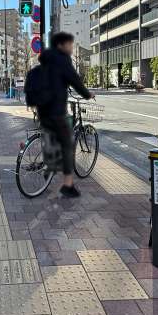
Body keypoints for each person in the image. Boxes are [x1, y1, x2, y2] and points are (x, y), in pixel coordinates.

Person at [36, 32, 93, 198]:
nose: (71, 47)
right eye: (69, 44)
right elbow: (76, 81)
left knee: (51, 137)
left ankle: (49, 169)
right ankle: (68, 185)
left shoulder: (46, 59)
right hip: (55, 109)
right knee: (67, 144)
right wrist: (88, 94)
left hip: (42, 108)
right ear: (61, 45)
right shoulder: (62, 59)